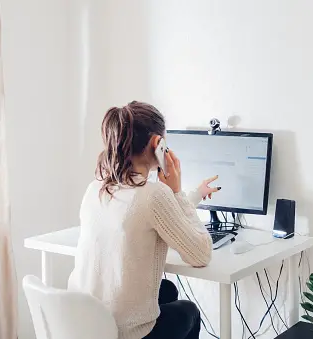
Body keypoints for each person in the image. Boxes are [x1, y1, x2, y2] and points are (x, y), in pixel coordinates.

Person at [68, 101, 218, 339]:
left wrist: (193, 195)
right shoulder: (154, 194)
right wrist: (177, 192)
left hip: (86, 324)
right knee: (189, 311)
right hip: (123, 333)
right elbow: (201, 254)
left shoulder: (96, 187)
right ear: (158, 143)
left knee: (166, 290)